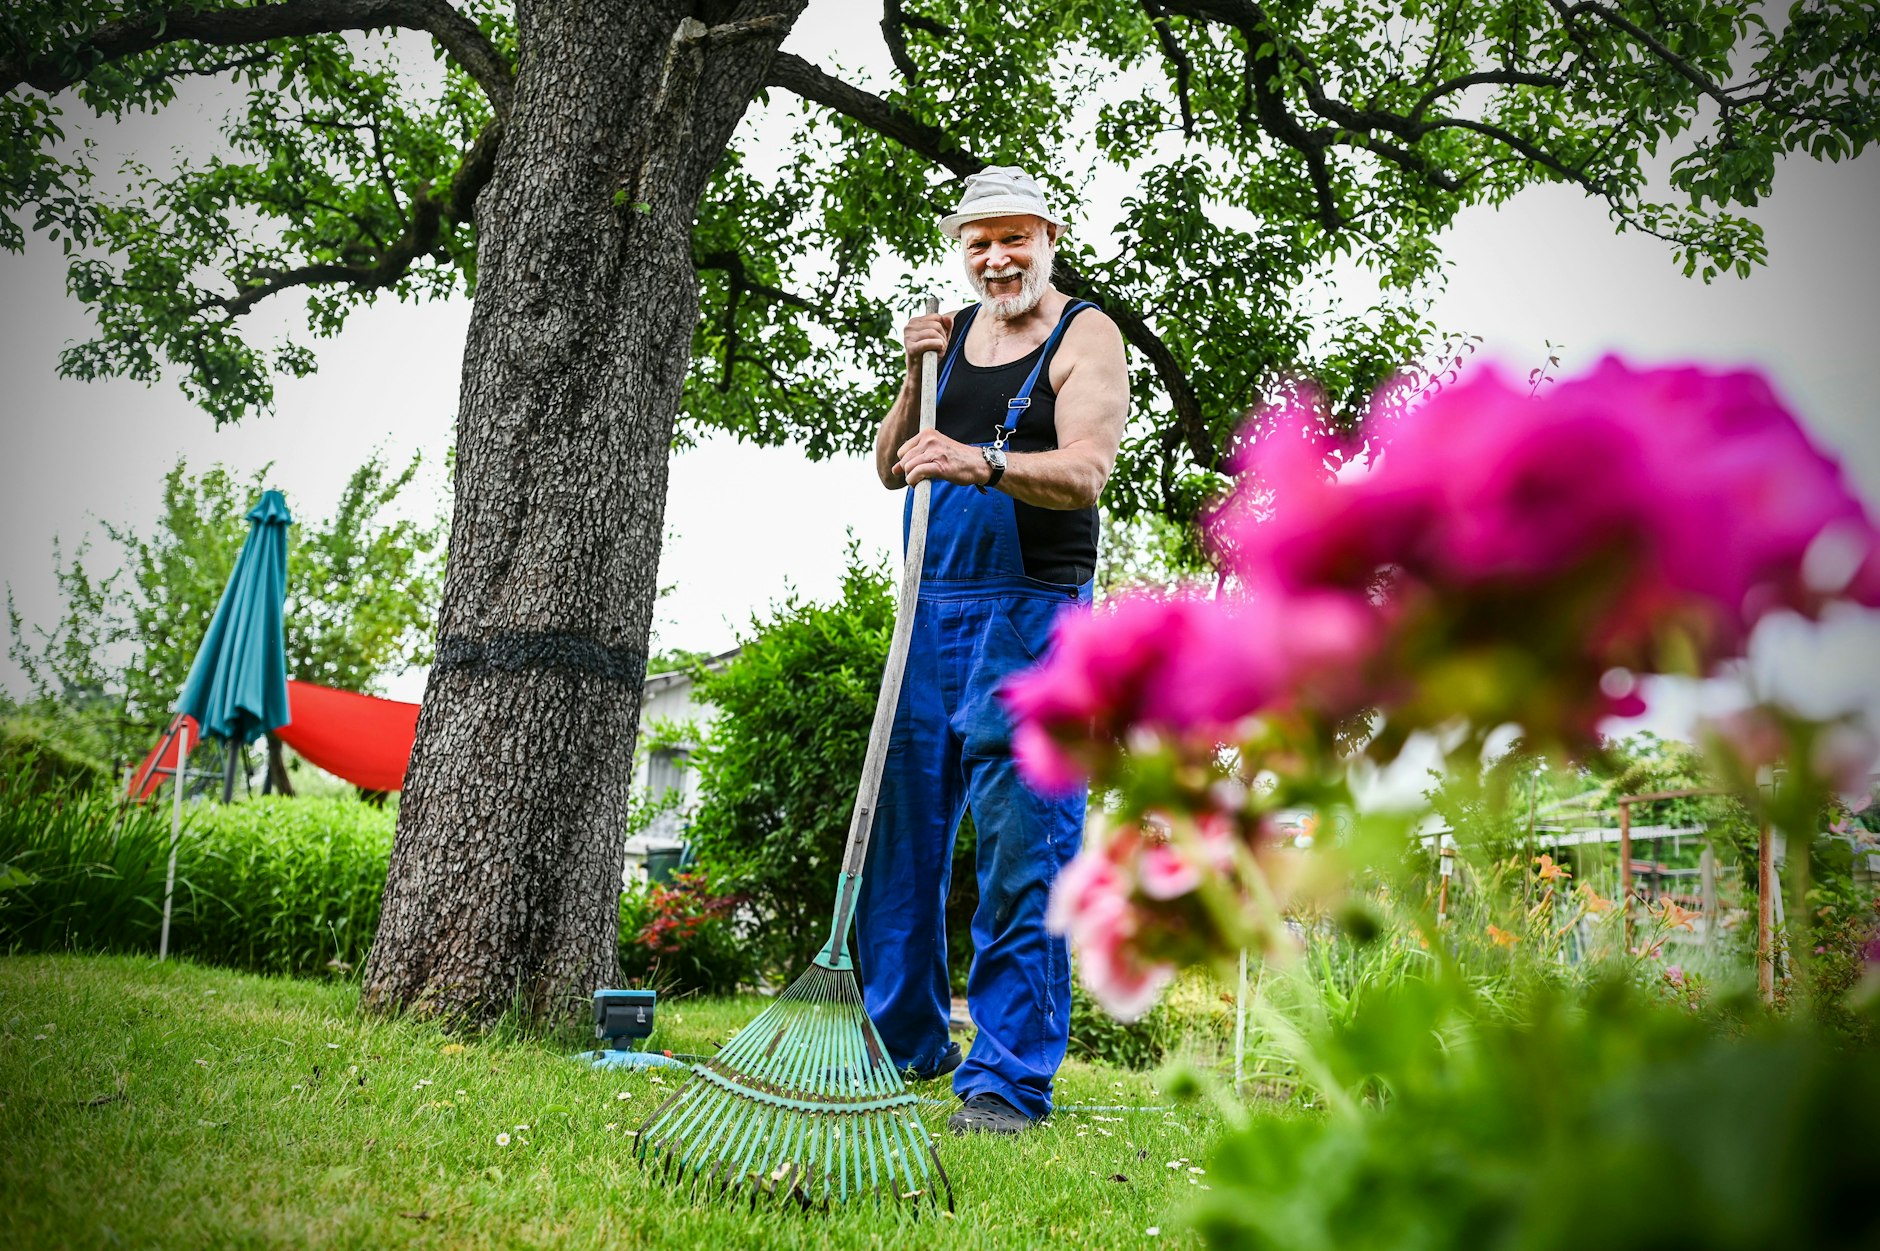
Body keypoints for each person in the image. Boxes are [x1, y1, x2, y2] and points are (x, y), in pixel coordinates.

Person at [856, 167, 1129, 1135]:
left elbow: (1087, 471)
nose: (996, 258)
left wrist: (980, 461)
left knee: (1024, 852)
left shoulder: (1084, 334)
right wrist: (912, 375)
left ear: (1048, 238)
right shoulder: (949, 337)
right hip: (925, 614)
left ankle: (1007, 1080)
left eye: (1014, 238)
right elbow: (891, 467)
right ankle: (901, 1043)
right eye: (978, 242)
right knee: (897, 846)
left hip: (1031, 621)